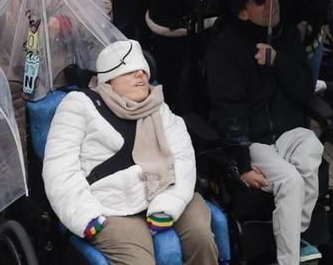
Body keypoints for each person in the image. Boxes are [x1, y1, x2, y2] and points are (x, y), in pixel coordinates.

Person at [44, 39, 220, 265]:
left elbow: (183, 159)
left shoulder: (160, 108)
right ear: (109, 79)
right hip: (110, 204)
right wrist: (83, 215)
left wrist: (167, 206)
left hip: (166, 188)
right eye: (129, 71)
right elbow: (59, 168)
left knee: (201, 237)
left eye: (143, 71)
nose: (140, 75)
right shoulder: (79, 105)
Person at [203, 0, 325, 265]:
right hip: (254, 140)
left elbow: (305, 89)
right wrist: (242, 164)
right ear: (242, 11)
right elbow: (228, 110)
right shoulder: (225, 49)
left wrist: (278, 61)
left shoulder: (287, 37)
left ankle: (295, 233)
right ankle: (289, 259)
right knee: (291, 180)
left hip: (287, 132)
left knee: (312, 149)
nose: (272, 2)